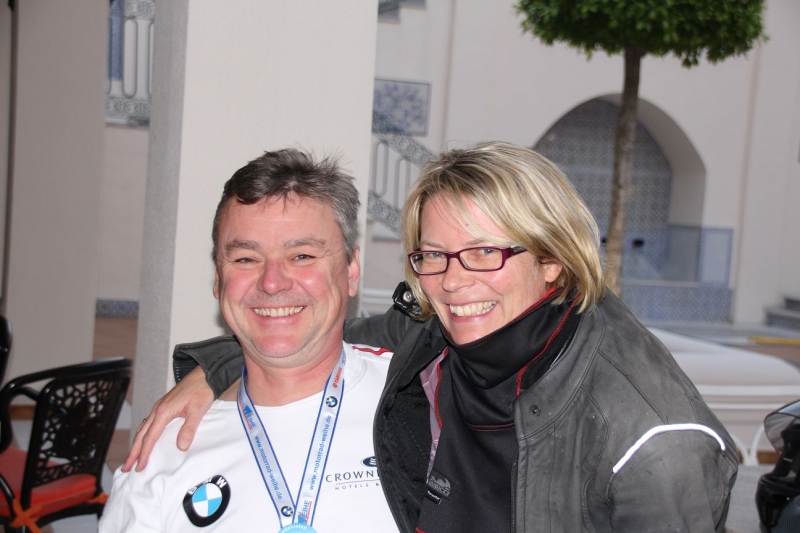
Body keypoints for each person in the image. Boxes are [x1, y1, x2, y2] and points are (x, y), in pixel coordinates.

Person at [129, 142, 738, 532]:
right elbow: (312, 322)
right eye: (434, 255)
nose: (453, 281)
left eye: (485, 252)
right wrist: (216, 367)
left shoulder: (653, 441)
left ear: (553, 258)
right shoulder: (439, 334)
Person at [101, 149, 398, 532]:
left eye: (302, 255)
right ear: (218, 279)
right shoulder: (162, 455)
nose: (272, 282)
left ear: (351, 270)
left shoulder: (424, 403)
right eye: (245, 259)